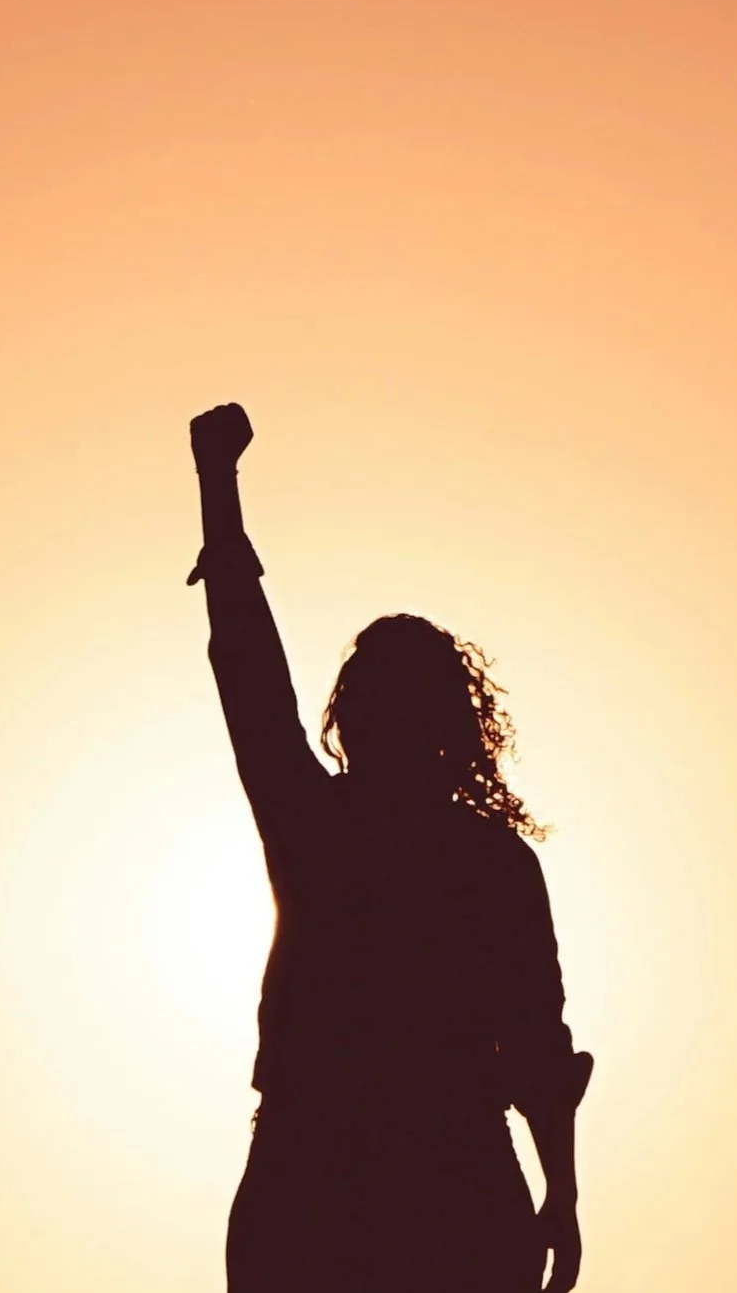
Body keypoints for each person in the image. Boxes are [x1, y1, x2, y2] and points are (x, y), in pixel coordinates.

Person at [186, 403, 593, 1293]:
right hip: (418, 1180)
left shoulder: (321, 826)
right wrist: (560, 1195)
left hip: (343, 1178)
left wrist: (218, 485)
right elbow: (537, 1047)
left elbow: (248, 674)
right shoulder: (484, 861)